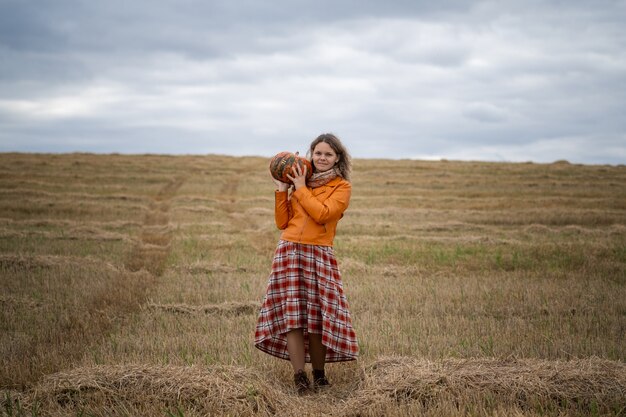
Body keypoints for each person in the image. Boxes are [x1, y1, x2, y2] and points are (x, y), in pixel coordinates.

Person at [254, 133, 358, 394]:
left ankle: (319, 375)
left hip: (319, 254)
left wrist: (300, 188)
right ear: (311, 154)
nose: (322, 158)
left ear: (338, 158)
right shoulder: (302, 181)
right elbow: (282, 222)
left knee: (318, 318)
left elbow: (323, 214)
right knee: (294, 317)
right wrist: (282, 189)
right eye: (318, 153)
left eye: (328, 154)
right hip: (289, 251)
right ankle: (299, 376)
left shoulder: (341, 187)